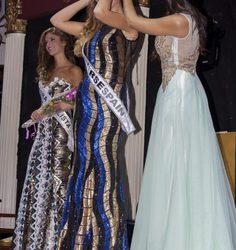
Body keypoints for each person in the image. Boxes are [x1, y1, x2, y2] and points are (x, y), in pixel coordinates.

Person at [122, 0, 236, 249]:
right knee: (172, 161)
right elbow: (131, 26)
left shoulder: (181, 21)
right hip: (172, 92)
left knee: (179, 159)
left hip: (180, 92)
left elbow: (136, 22)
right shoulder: (179, 19)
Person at [50, 0, 138, 248]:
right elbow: (56, 21)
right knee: (82, 169)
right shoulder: (89, 29)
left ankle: (107, 240)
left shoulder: (127, 24)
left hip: (108, 107)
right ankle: (79, 240)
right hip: (86, 105)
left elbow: (102, 10)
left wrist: (98, 4)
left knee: (104, 170)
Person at [12, 27, 83, 250]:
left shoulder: (74, 71)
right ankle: (38, 242)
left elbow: (85, 104)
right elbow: (46, 105)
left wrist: (67, 104)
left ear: (64, 42)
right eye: (45, 42)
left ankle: (60, 242)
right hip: (43, 138)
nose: (48, 44)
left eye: (52, 40)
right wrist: (38, 113)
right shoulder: (45, 70)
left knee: (59, 184)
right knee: (37, 183)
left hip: (63, 138)